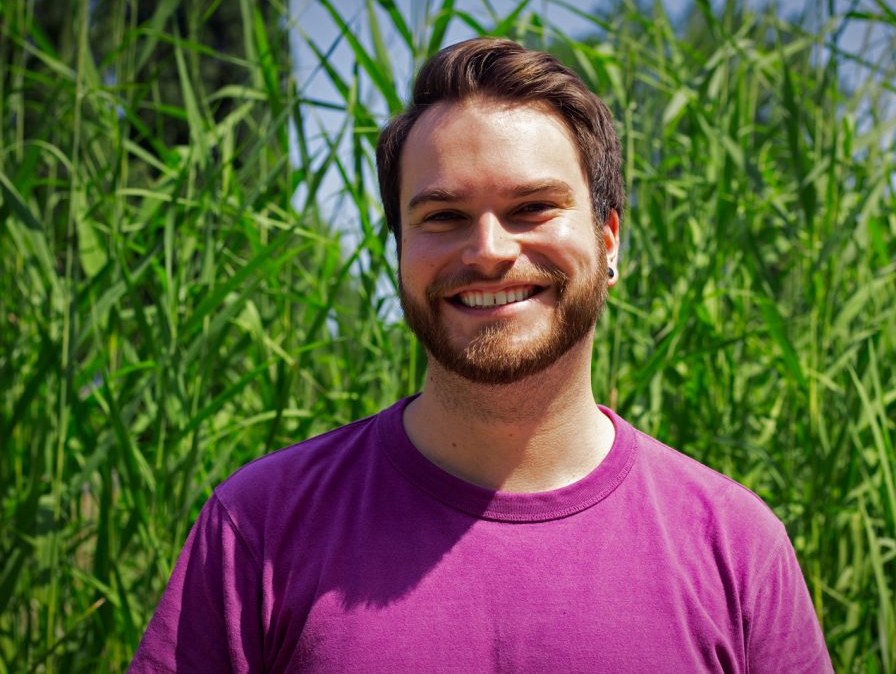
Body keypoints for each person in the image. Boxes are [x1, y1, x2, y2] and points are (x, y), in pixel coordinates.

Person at [131, 37, 832, 673]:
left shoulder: (737, 550)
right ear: (400, 252)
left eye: (533, 208)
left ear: (609, 239)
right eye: (443, 216)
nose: (489, 250)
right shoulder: (258, 529)